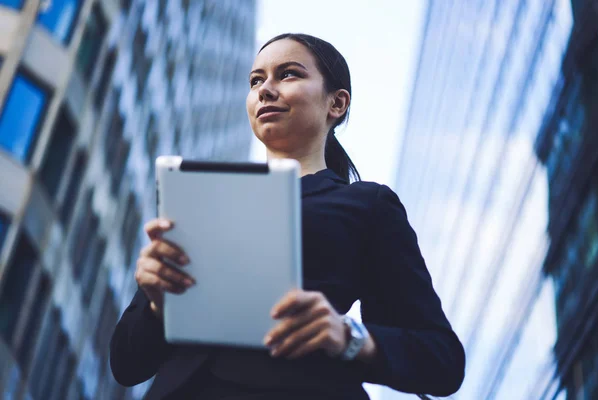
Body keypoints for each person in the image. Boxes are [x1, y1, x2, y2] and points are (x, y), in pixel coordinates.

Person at [110, 33, 465, 400]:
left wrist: (348, 336)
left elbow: (441, 361)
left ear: (337, 103)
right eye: (255, 81)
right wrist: (156, 305)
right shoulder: (206, 201)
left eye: (289, 74)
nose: (265, 90)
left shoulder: (367, 205)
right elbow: (125, 364)